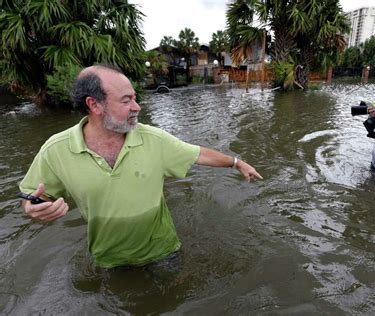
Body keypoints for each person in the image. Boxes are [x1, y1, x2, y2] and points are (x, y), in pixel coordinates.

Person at [19, 64, 263, 268]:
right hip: (108, 259)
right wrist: (34, 206)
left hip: (163, 252)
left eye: (135, 98)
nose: (137, 106)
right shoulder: (56, 150)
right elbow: (32, 196)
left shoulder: (153, 139)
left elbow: (198, 154)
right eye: (127, 100)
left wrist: (236, 162)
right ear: (94, 105)